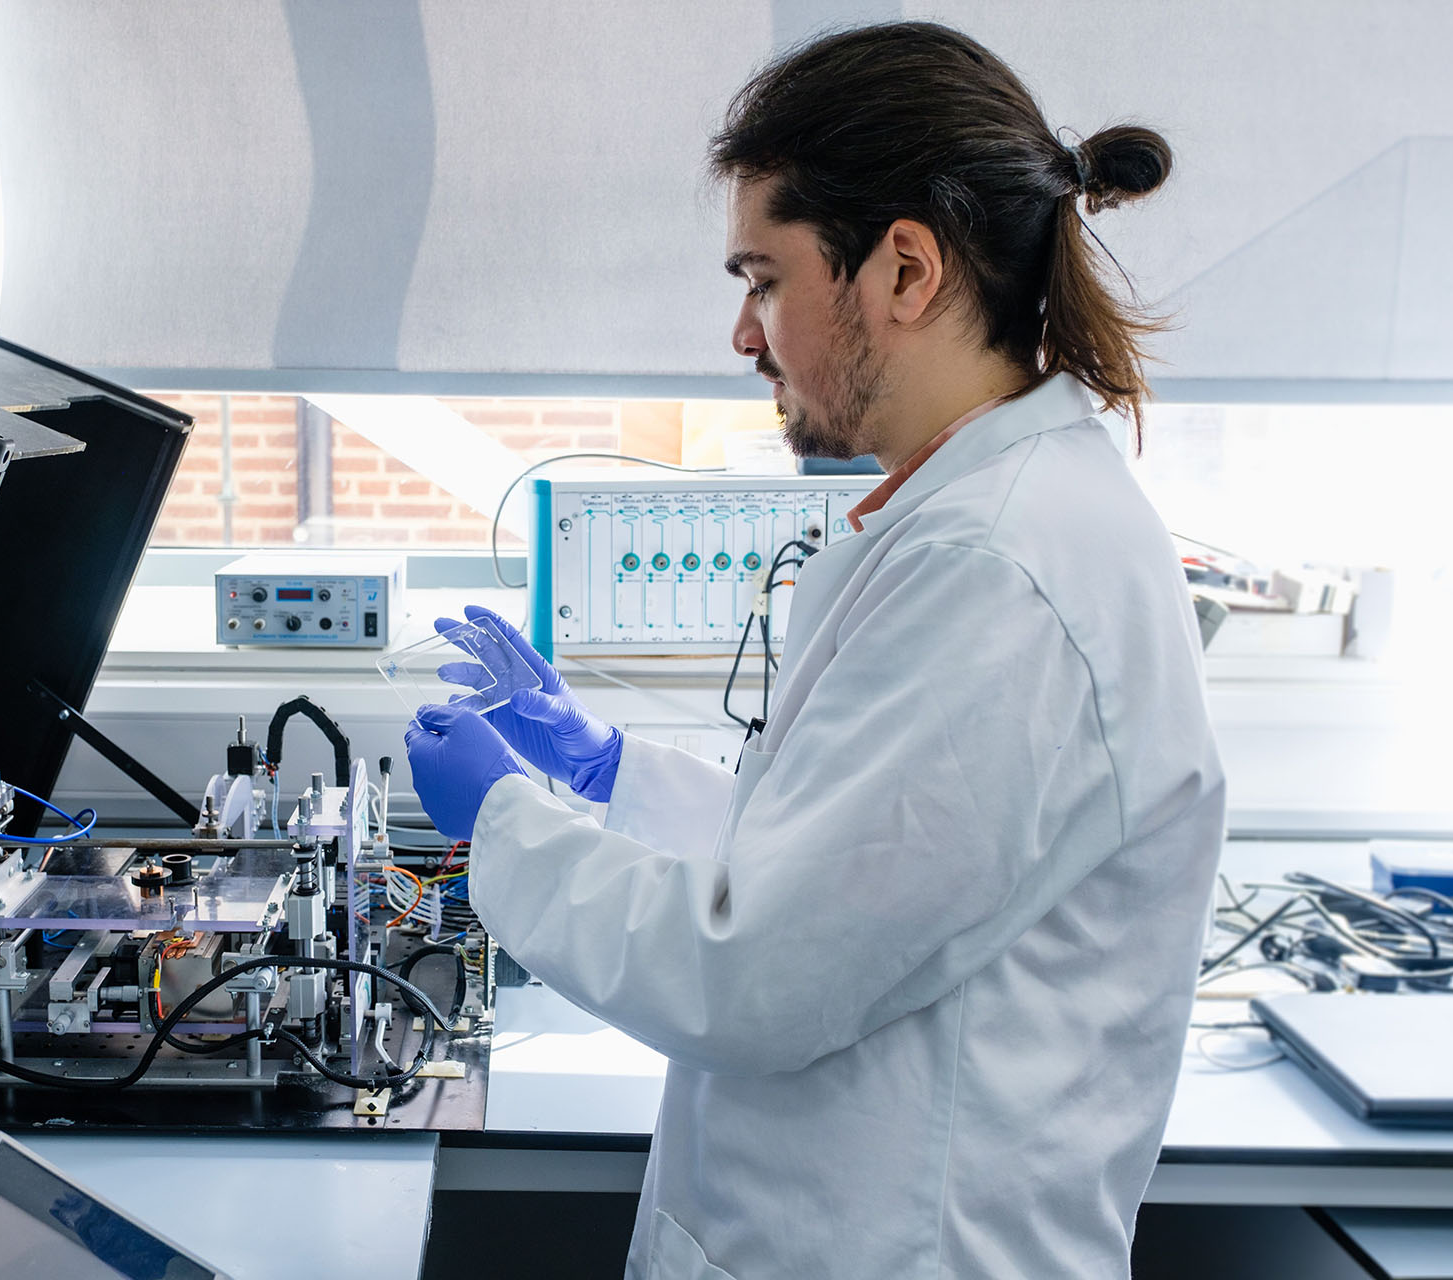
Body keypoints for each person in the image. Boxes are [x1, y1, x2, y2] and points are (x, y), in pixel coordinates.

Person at [404, 21, 1224, 1280]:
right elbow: (848, 867)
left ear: (905, 271)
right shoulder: (975, 520)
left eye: (765, 278)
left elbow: (758, 972)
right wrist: (611, 769)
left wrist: (506, 819)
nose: (744, 335)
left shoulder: (999, 572)